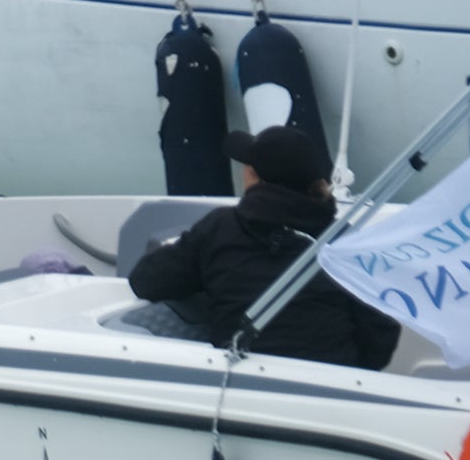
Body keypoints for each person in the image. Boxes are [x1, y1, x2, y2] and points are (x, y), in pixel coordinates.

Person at [126, 125, 400, 369]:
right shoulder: (344, 242)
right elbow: (381, 334)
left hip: (244, 386)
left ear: (253, 177)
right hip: (333, 387)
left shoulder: (221, 228)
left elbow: (145, 281)